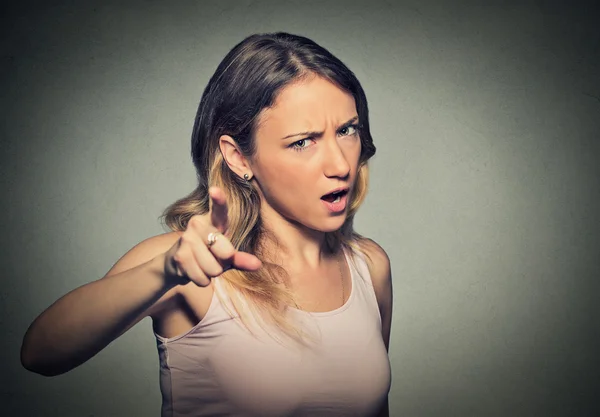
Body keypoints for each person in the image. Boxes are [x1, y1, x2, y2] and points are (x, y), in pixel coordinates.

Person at [21, 32, 393, 417]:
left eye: (347, 130)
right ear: (238, 158)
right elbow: (40, 354)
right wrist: (163, 273)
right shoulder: (185, 265)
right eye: (303, 141)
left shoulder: (369, 266)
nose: (340, 165)